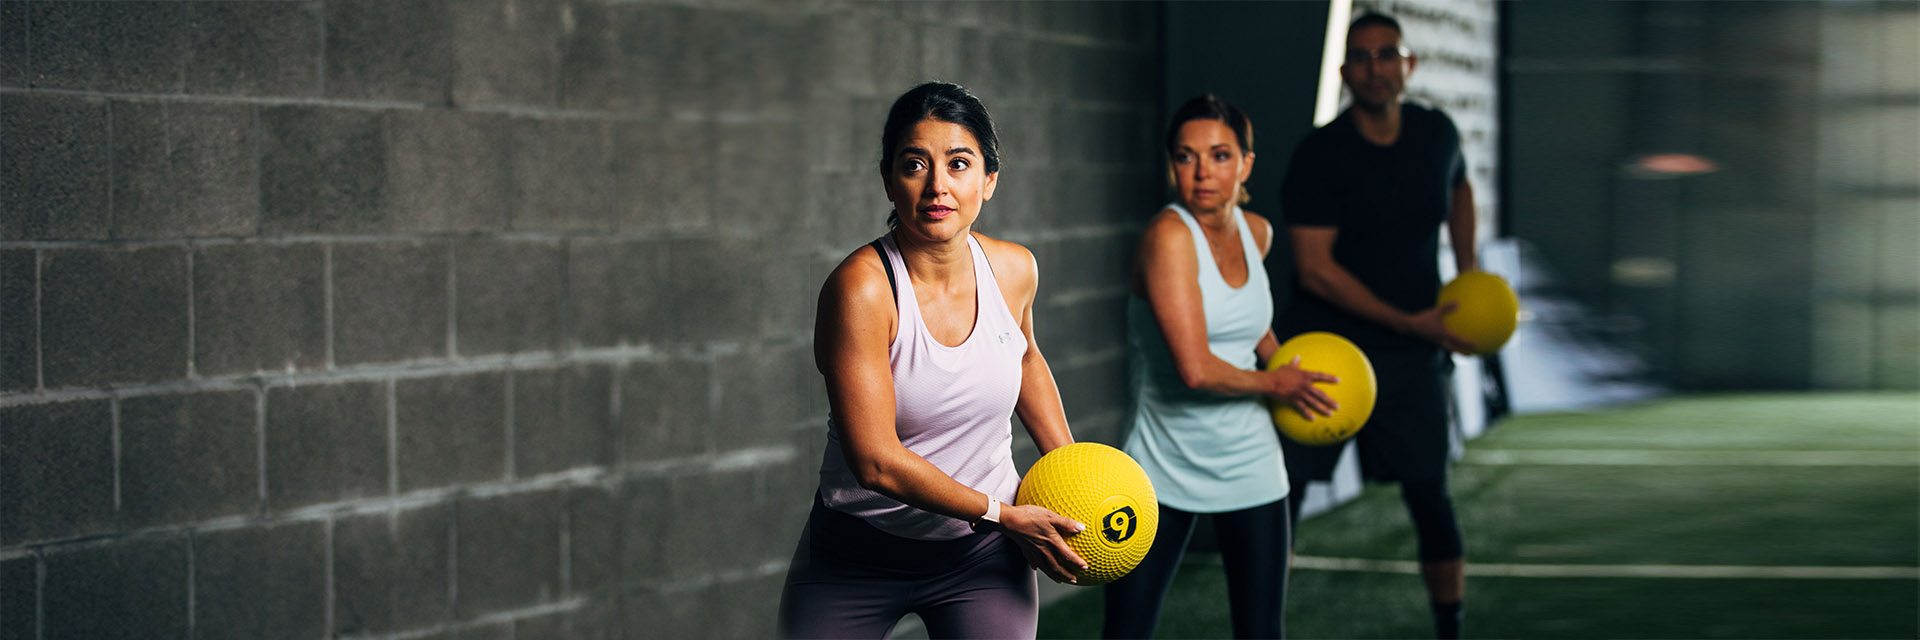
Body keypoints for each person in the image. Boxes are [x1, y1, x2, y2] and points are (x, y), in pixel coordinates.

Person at [777, 81, 1089, 640]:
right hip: (856, 553)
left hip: (982, 557)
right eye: (915, 164)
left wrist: (1072, 470)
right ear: (888, 178)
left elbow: (1025, 359)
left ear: (989, 181)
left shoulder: (1015, 269)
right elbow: (874, 461)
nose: (938, 185)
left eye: (959, 163)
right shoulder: (861, 290)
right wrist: (1005, 514)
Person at [1103, 94, 1339, 640]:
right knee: (1127, 631)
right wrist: (1278, 383)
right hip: (1162, 462)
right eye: (1186, 157)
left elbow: (1252, 326)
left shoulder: (1257, 232)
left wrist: (1300, 378)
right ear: (1173, 166)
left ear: (1246, 164)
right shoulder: (1167, 236)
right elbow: (1195, 369)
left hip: (1251, 458)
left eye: (1220, 155)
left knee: (1262, 631)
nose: (1203, 171)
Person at [1274, 12, 1478, 639]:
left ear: (1407, 65)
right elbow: (1314, 269)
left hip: (1412, 353)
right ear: (1345, 73)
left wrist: (1466, 277)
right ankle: (1262, 622)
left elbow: (1461, 190)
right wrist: (1409, 321)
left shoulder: (1437, 133)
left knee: (1430, 495)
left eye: (1386, 54)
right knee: (1285, 498)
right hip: (1329, 351)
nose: (1375, 67)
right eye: (1361, 57)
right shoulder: (1321, 153)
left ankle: (1450, 625)